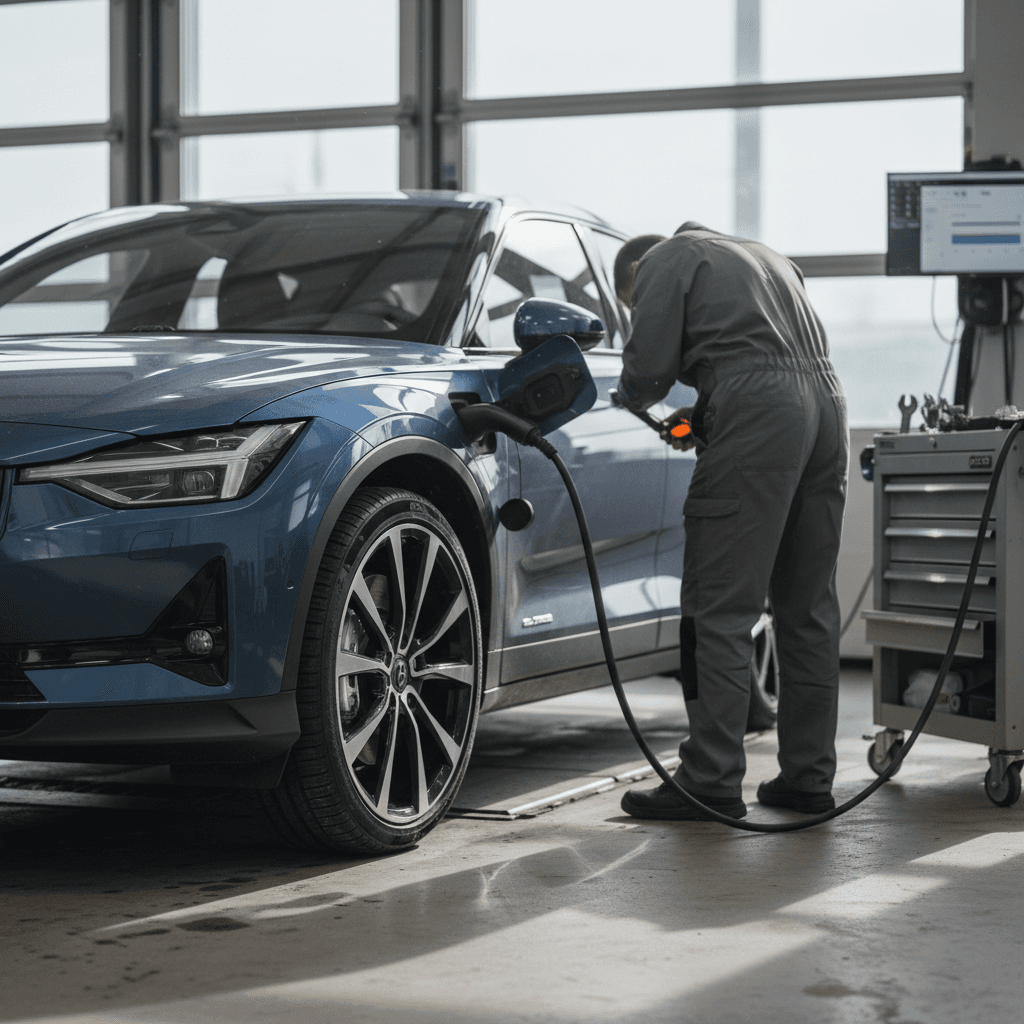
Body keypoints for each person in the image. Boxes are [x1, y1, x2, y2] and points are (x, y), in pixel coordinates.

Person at [613, 222, 848, 821]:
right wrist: (710, 409)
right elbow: (768, 363)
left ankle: (711, 777)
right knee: (808, 609)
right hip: (825, 406)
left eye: (631, 305)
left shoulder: (665, 260)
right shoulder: (766, 255)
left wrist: (631, 394)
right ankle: (808, 776)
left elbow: (647, 369)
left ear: (635, 278)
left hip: (761, 411)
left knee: (717, 609)